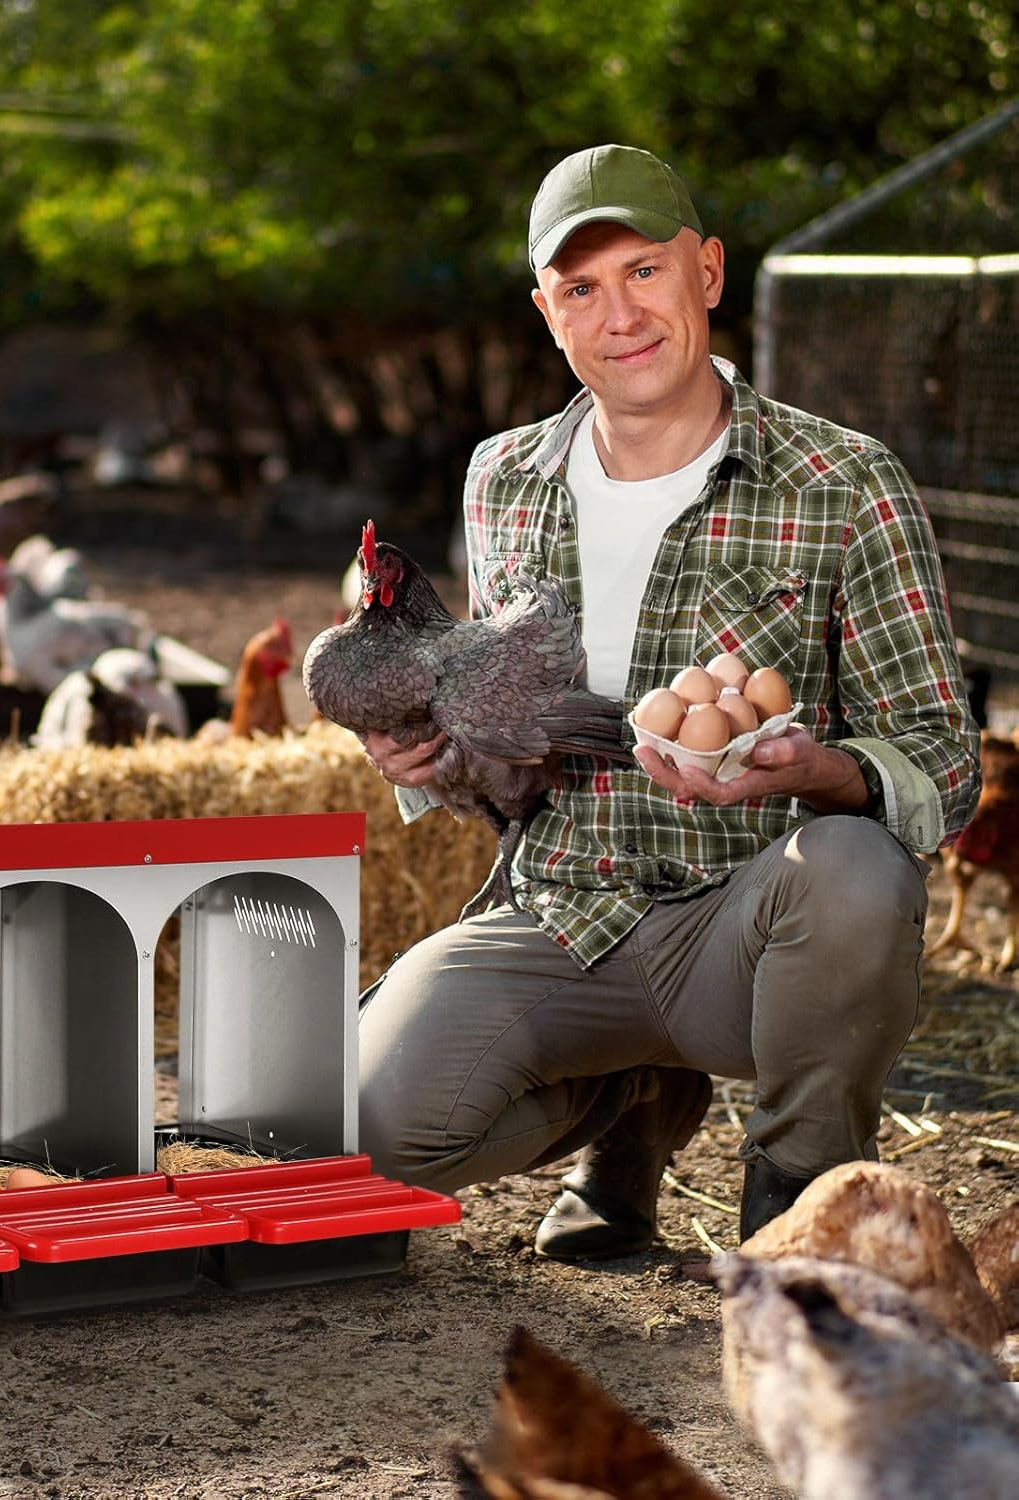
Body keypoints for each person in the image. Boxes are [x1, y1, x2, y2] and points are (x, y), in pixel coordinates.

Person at [356, 143, 981, 1257]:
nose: (620, 315)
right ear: (547, 313)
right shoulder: (504, 479)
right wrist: (436, 758)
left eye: (645, 270)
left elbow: (945, 757)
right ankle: (634, 1103)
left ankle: (796, 1198)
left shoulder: (843, 481)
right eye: (582, 288)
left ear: (709, 272)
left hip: (748, 932)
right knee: (366, 1129)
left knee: (858, 869)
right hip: (561, 917)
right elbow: (511, 753)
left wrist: (825, 773)